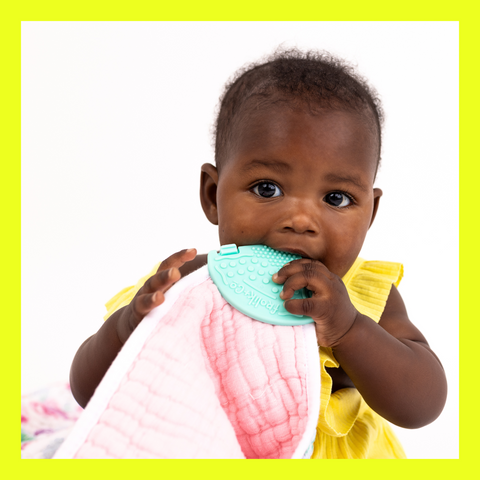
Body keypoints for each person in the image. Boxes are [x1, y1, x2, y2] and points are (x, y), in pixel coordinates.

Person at [69, 49, 447, 458]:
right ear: (213, 196)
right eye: (268, 188)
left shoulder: (363, 296)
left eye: (336, 198)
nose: (301, 219)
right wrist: (129, 328)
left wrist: (350, 329)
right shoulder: (190, 285)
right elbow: (90, 392)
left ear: (370, 214)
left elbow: (422, 404)